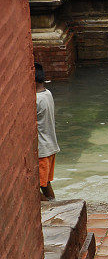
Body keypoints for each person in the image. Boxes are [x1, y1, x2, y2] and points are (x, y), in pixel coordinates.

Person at [35, 62, 59, 201]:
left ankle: (51, 207)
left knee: (36, 188)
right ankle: (54, 204)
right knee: (45, 184)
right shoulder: (47, 93)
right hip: (50, 146)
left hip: (42, 150)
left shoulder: (36, 100)